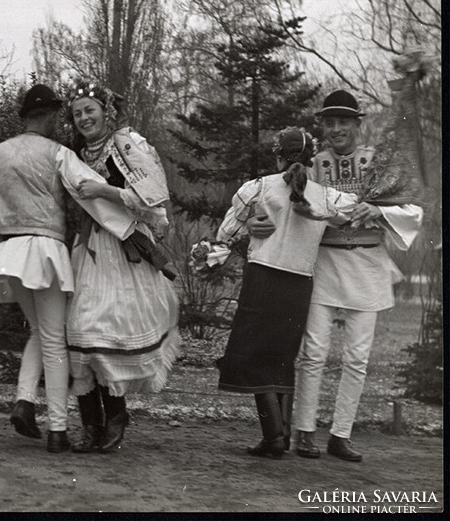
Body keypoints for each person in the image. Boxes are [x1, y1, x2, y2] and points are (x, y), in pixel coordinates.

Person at [0, 84, 138, 453]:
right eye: (59, 115)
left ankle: (25, 401)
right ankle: (57, 428)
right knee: (55, 339)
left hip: (10, 252)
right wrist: (130, 225)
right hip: (45, 251)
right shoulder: (57, 152)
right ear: (46, 116)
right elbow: (89, 188)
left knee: (40, 332)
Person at [284, 90, 421, 462]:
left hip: (367, 265)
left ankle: (341, 434)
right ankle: (305, 430)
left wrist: (378, 212)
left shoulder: (378, 164)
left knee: (357, 358)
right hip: (325, 263)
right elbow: (291, 205)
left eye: (344, 122)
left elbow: (412, 210)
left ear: (357, 125)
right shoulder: (313, 165)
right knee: (313, 353)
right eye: (330, 123)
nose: (336, 129)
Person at [215, 126, 358, 459]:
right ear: (310, 159)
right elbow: (350, 213)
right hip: (299, 286)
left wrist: (215, 251)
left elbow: (225, 232)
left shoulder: (260, 187)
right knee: (282, 360)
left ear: (278, 156)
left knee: (254, 360)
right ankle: (281, 433)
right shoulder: (325, 196)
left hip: (263, 280)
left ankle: (273, 437)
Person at [64, 80, 181, 454]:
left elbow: (152, 201)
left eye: (90, 110)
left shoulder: (126, 144)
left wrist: (104, 191)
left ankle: (115, 416)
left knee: (108, 333)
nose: (84, 118)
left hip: (123, 252)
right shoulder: (75, 153)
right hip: (88, 250)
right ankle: (90, 424)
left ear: (105, 111)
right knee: (81, 332)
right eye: (78, 113)